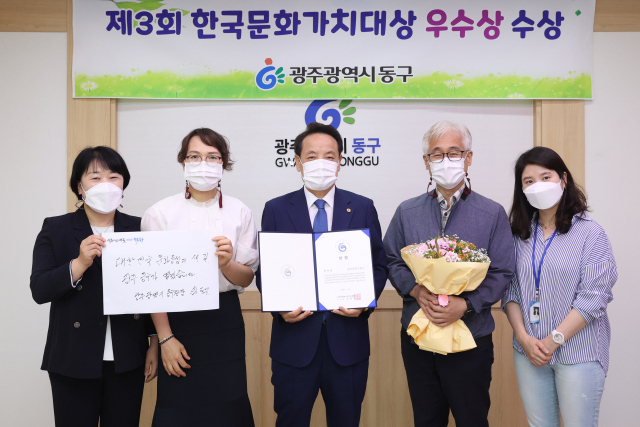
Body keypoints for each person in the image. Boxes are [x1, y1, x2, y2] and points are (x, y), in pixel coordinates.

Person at [383, 120, 515, 427]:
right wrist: (415, 290)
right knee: (426, 419)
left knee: (472, 419)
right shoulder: (407, 211)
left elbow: (502, 271)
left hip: (471, 337)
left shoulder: (491, 213)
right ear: (426, 161)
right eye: (437, 154)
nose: (445, 161)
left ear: (468, 158)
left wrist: (466, 304)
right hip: (419, 337)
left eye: (454, 153)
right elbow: (391, 259)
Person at [256, 122, 388, 427]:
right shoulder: (276, 209)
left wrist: (364, 303)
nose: (321, 163)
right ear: (298, 162)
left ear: (340, 162)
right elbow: (267, 269)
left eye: (329, 156)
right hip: (294, 344)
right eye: (312, 156)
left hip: (347, 343)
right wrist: (279, 307)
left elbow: (378, 265)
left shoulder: (362, 207)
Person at [30, 146, 158, 427]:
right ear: (80, 186)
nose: (106, 185)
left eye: (114, 177)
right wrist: (78, 264)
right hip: (72, 358)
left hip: (128, 357)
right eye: (95, 177)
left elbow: (151, 290)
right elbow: (39, 289)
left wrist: (154, 343)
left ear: (123, 184)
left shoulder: (141, 228)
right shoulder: (56, 228)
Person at [142, 128, 257, 427]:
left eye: (212, 157)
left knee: (228, 407)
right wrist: (165, 337)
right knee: (178, 407)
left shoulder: (240, 211)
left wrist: (226, 264)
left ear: (223, 164)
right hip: (177, 321)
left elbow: (246, 278)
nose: (203, 163)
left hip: (225, 319)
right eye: (194, 156)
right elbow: (152, 284)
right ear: (183, 162)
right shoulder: (159, 213)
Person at [502, 147, 617, 427]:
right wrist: (525, 339)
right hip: (529, 352)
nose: (538, 185)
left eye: (546, 177)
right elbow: (510, 291)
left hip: (579, 352)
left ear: (563, 179)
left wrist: (553, 340)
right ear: (522, 189)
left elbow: (594, 297)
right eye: (529, 181)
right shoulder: (518, 234)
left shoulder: (590, 233)